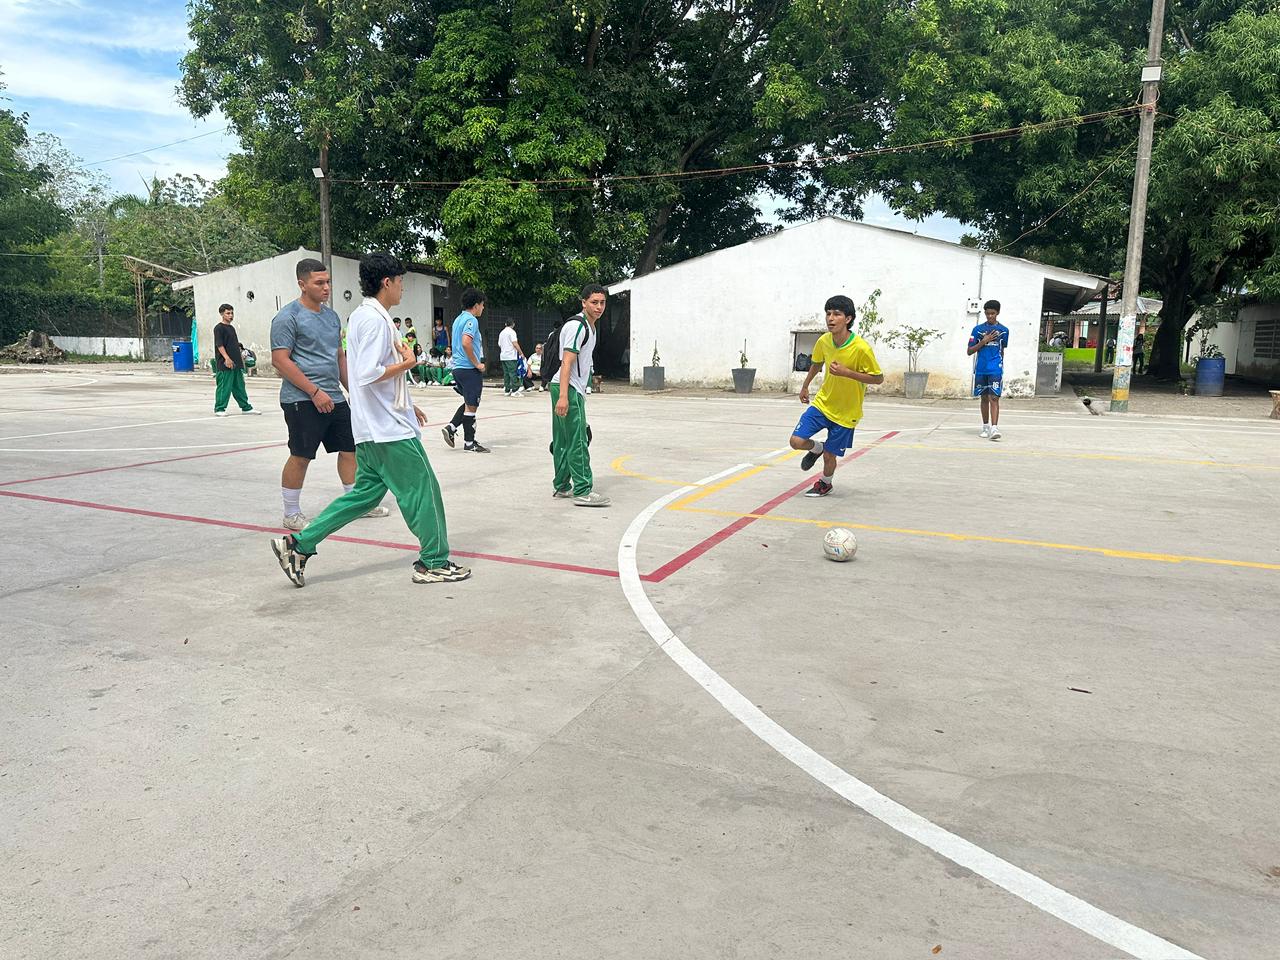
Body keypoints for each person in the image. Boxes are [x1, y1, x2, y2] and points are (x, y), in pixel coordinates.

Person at [271, 252, 470, 587]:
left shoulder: (363, 316)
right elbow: (369, 374)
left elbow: (363, 373)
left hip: (372, 428)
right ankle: (433, 562)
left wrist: (408, 402)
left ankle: (299, 544)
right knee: (424, 491)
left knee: (363, 496)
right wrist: (408, 364)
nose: (403, 288)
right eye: (401, 281)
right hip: (388, 431)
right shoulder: (376, 321)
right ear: (387, 282)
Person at [271, 258, 390, 530]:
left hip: (334, 398)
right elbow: (281, 360)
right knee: (301, 455)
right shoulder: (287, 317)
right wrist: (314, 391)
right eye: (319, 283)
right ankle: (291, 513)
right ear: (302, 284)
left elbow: (339, 357)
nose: (326, 288)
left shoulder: (332, 316)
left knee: (350, 450)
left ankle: (356, 502)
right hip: (302, 399)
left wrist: (356, 394)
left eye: (328, 282)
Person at [790, 295, 884, 498]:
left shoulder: (861, 348)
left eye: (837, 314)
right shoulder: (824, 341)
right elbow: (816, 363)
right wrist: (805, 386)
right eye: (828, 314)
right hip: (823, 403)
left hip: (847, 412)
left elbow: (878, 378)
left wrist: (847, 373)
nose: (831, 318)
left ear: (848, 319)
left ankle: (825, 483)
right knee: (796, 441)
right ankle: (817, 448)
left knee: (830, 456)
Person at [551, 284, 610, 507]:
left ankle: (562, 485)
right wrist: (564, 396)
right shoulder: (578, 326)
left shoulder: (589, 326)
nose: (599, 307)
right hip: (567, 387)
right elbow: (567, 361)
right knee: (577, 439)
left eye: (602, 302)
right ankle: (583, 489)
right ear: (583, 302)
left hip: (565, 387)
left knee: (563, 439)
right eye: (594, 302)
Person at [442, 288, 490, 453]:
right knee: (472, 406)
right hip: (469, 369)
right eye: (482, 305)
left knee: (469, 402)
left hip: (458, 368)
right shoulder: (471, 320)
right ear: (476, 305)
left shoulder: (458, 319)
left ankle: (452, 427)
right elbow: (466, 342)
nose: (483, 308)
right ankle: (469, 442)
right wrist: (477, 364)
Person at [968, 299, 1010, 440]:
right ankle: (985, 427)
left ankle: (994, 428)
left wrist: (1000, 365)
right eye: (987, 314)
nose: (990, 316)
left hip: (995, 369)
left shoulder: (1004, 331)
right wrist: (983, 341)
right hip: (981, 368)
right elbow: (969, 351)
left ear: (997, 313)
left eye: (992, 313)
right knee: (984, 397)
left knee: (994, 397)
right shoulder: (977, 330)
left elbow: (1001, 350)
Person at [212, 303, 261, 417]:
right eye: (228, 313)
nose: (231, 315)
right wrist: (227, 358)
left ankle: (246, 407)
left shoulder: (231, 328)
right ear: (222, 314)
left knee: (239, 386)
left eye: (232, 313)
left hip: (236, 363)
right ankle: (219, 408)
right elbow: (220, 345)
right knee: (224, 387)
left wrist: (242, 354)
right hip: (225, 363)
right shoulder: (219, 328)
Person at [498, 319, 527, 396]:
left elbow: (499, 344)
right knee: (513, 373)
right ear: (513, 324)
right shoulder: (512, 332)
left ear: (505, 324)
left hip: (503, 356)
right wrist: (521, 353)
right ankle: (515, 390)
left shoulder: (501, 333)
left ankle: (507, 390)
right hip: (511, 355)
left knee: (506, 373)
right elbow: (515, 343)